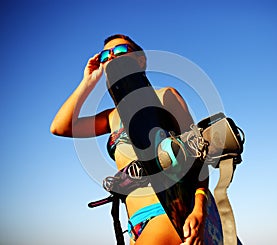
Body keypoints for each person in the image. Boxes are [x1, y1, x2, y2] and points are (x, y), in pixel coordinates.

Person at [50, 34, 209, 245]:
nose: (112, 57)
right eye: (106, 55)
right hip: (134, 222)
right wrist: (87, 82)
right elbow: (60, 127)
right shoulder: (110, 116)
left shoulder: (165, 96)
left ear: (140, 59)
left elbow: (198, 156)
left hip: (167, 212)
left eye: (121, 51)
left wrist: (199, 210)